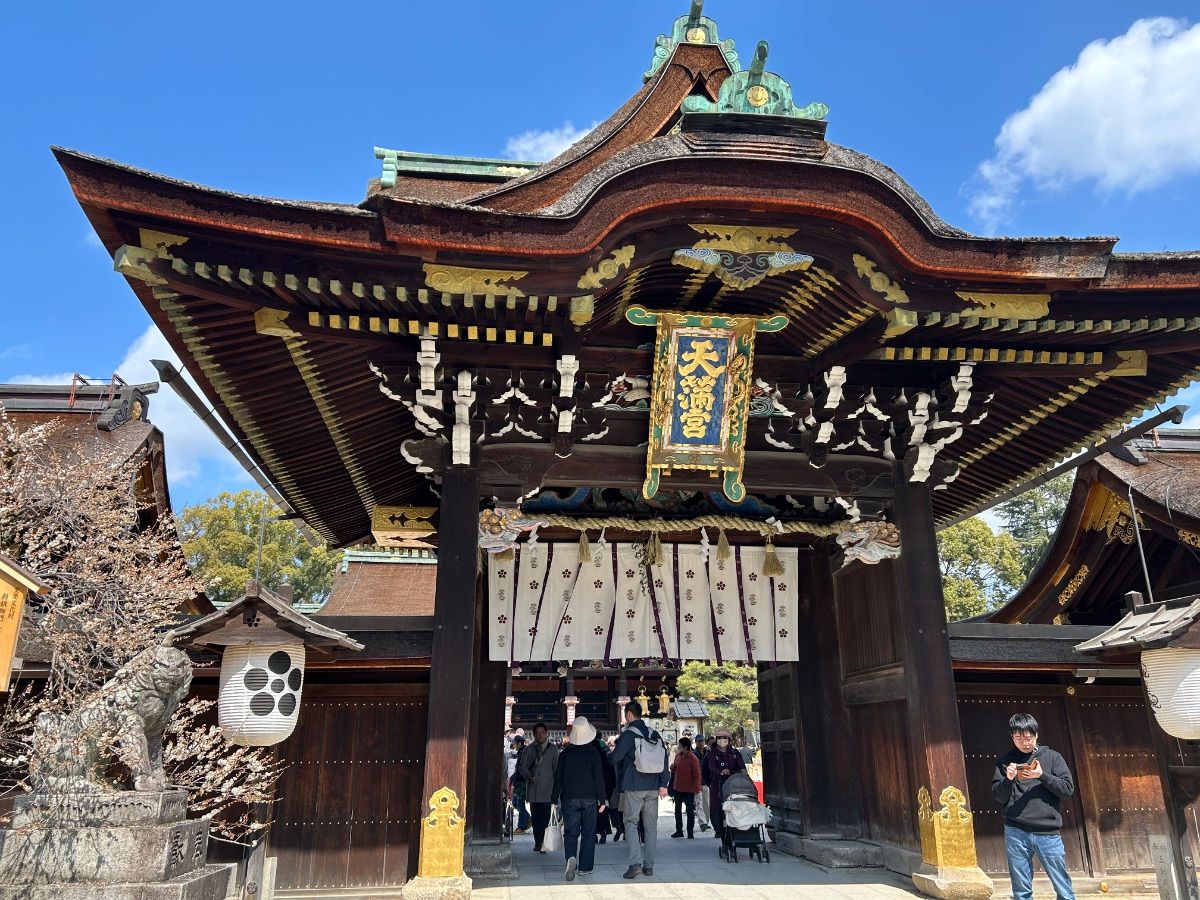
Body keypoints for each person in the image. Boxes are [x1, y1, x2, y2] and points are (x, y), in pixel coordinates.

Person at [991, 713, 1077, 900]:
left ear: (1036, 735)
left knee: (1061, 881)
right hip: (1016, 830)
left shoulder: (1053, 757)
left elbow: (1067, 789)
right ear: (1012, 737)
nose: (1024, 742)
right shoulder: (1006, 761)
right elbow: (998, 796)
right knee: (1020, 885)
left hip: (1047, 832)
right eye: (1018, 738)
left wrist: (1042, 775)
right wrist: (1008, 779)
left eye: (1028, 738)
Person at [610, 700, 670, 879]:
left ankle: (635, 864)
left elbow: (615, 758)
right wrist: (663, 784)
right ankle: (649, 866)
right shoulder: (654, 733)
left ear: (629, 715)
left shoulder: (629, 735)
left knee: (631, 823)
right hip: (653, 786)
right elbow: (664, 759)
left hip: (634, 786)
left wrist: (606, 755)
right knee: (651, 827)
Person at [552, 717, 608, 880]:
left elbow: (558, 778)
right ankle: (585, 867)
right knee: (589, 833)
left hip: (569, 797)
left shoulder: (565, 754)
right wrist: (602, 800)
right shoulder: (593, 753)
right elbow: (599, 778)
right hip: (590, 797)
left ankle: (570, 857)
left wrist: (554, 799)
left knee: (570, 831)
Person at [517, 722, 560, 852]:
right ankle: (537, 841)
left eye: (542, 732)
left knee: (545, 817)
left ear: (546, 733)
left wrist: (557, 789)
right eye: (537, 733)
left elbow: (556, 769)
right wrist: (529, 777)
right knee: (536, 818)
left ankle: (544, 842)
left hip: (548, 788)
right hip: (534, 788)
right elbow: (522, 766)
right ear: (534, 734)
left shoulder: (553, 749)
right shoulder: (529, 749)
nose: (540, 735)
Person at [705, 728, 746, 839]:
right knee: (717, 807)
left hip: (734, 784)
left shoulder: (734, 752)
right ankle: (719, 829)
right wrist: (721, 772)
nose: (722, 740)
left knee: (736, 804)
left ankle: (738, 826)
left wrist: (744, 773)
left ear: (729, 740)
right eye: (719, 738)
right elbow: (711, 767)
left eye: (725, 738)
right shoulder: (712, 754)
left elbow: (741, 765)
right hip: (718, 784)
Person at [670, 736, 702, 839]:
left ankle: (690, 832)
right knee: (677, 810)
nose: (678, 747)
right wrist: (672, 767)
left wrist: (697, 789)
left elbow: (697, 775)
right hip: (678, 788)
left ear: (686, 747)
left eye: (680, 746)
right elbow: (675, 767)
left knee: (689, 810)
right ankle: (679, 830)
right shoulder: (678, 756)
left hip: (689, 789)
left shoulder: (693, 759)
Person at [595, 733, 618, 844]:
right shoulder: (605, 753)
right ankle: (603, 831)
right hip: (604, 787)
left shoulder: (589, 751)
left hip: (592, 788)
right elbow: (611, 773)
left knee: (591, 813)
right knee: (603, 811)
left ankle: (593, 834)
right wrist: (612, 786)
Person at [509, 735, 530, 833]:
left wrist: (515, 780)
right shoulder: (521, 752)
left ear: (519, 743)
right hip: (519, 780)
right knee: (515, 802)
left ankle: (521, 827)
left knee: (520, 804)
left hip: (522, 781)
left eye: (515, 743)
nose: (514, 745)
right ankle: (528, 818)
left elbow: (522, 769)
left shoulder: (524, 752)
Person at [695, 736, 711, 832]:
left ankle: (706, 821)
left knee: (706, 804)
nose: (701, 743)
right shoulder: (693, 754)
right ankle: (702, 822)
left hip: (706, 782)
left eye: (702, 741)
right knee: (699, 802)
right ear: (696, 742)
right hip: (697, 782)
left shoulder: (708, 753)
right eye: (699, 741)